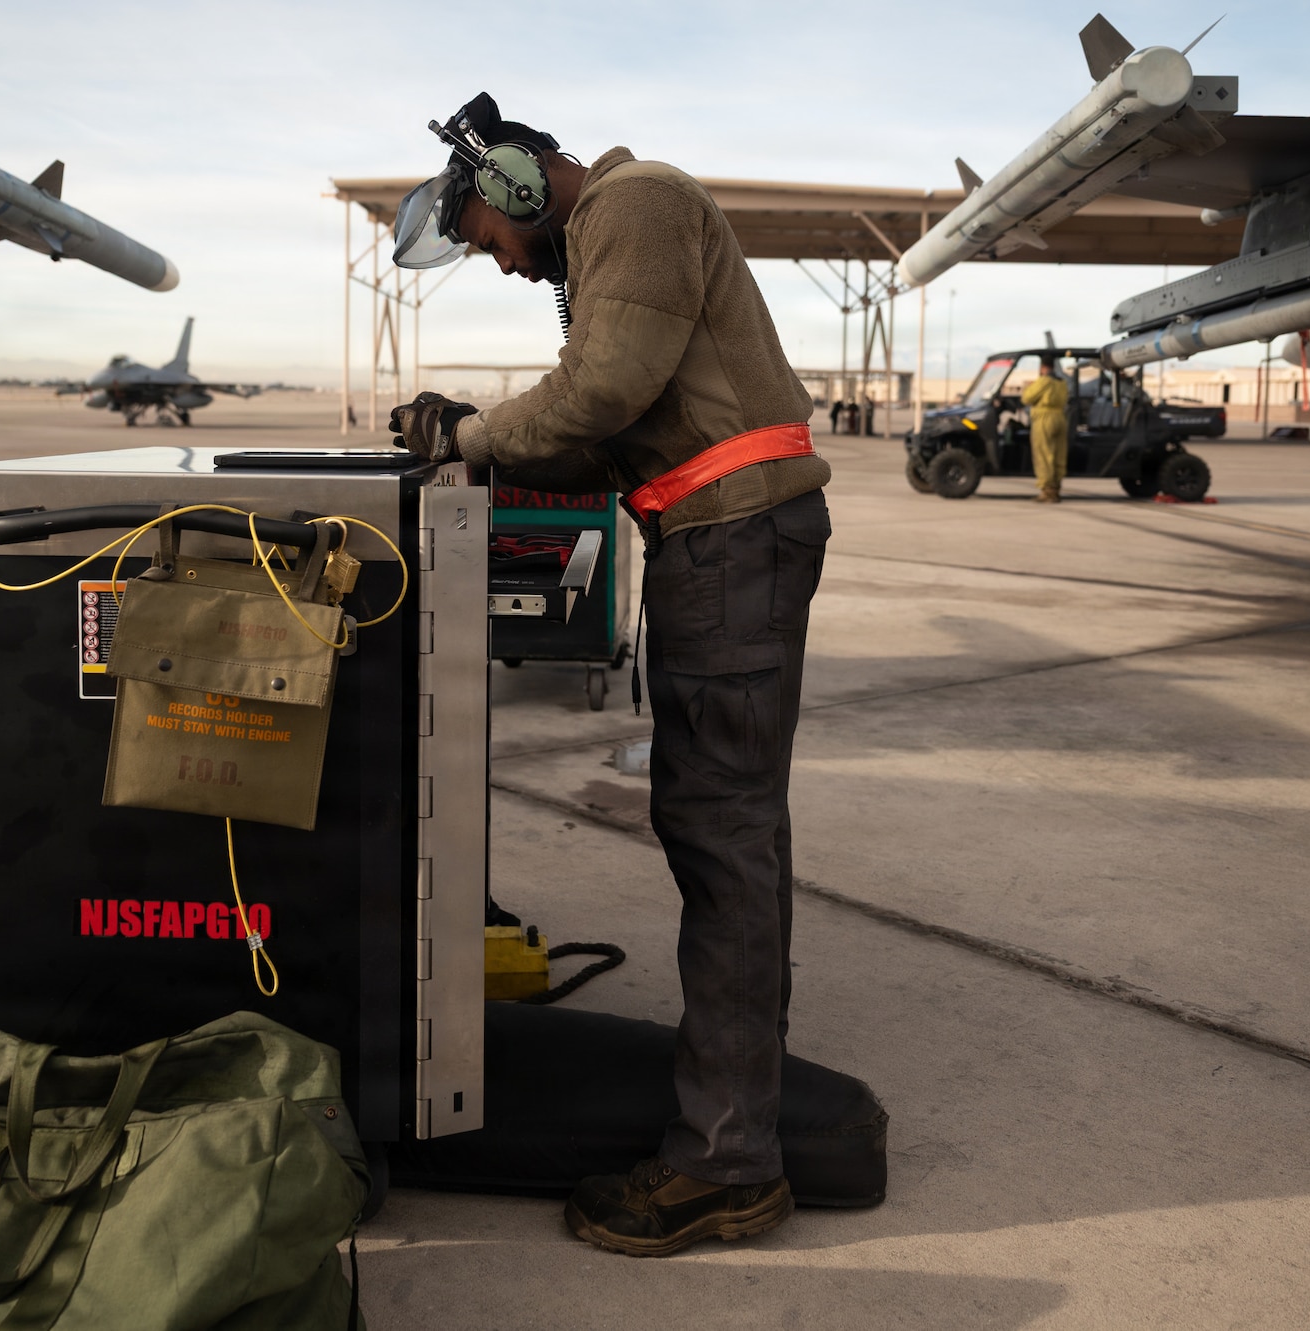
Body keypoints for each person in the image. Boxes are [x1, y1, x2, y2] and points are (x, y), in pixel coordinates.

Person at [387, 93, 831, 1258]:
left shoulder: (634, 206)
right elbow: (602, 430)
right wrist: (474, 437)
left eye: (488, 237)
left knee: (721, 835)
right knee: (726, 832)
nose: (500, 261)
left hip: (731, 549)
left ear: (518, 184)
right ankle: (739, 1109)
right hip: (719, 545)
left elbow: (598, 394)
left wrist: (467, 437)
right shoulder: (606, 240)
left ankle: (726, 1163)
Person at [1022, 361, 1069, 502]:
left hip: (1044, 419)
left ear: (1043, 367)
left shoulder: (1044, 381)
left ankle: (1047, 491)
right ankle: (1056, 488)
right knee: (1059, 454)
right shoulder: (1062, 382)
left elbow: (1027, 397)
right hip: (1060, 418)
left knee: (1044, 454)